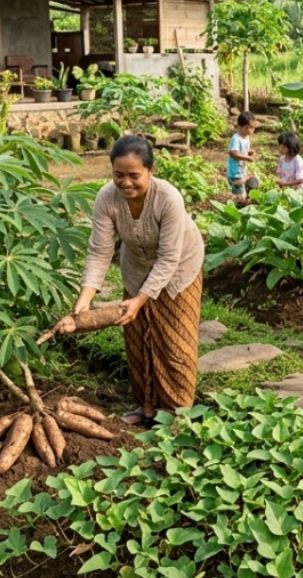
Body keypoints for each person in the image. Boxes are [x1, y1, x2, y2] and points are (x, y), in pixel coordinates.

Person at [57, 135, 205, 427]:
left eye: (134, 175)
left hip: (179, 270)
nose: (126, 183)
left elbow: (168, 258)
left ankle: (177, 415)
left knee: (175, 344)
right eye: (119, 175)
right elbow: (100, 251)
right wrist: (84, 301)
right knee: (138, 340)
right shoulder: (106, 198)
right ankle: (147, 407)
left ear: (151, 170)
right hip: (136, 267)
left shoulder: (168, 198)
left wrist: (140, 300)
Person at [228, 111, 257, 201]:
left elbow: (243, 150)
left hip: (242, 170)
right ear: (240, 127)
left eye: (252, 128)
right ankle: (239, 203)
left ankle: (239, 200)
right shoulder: (236, 138)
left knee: (240, 193)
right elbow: (233, 153)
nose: (250, 130)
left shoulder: (246, 137)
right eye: (247, 128)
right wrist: (247, 158)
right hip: (235, 173)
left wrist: (250, 152)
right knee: (240, 196)